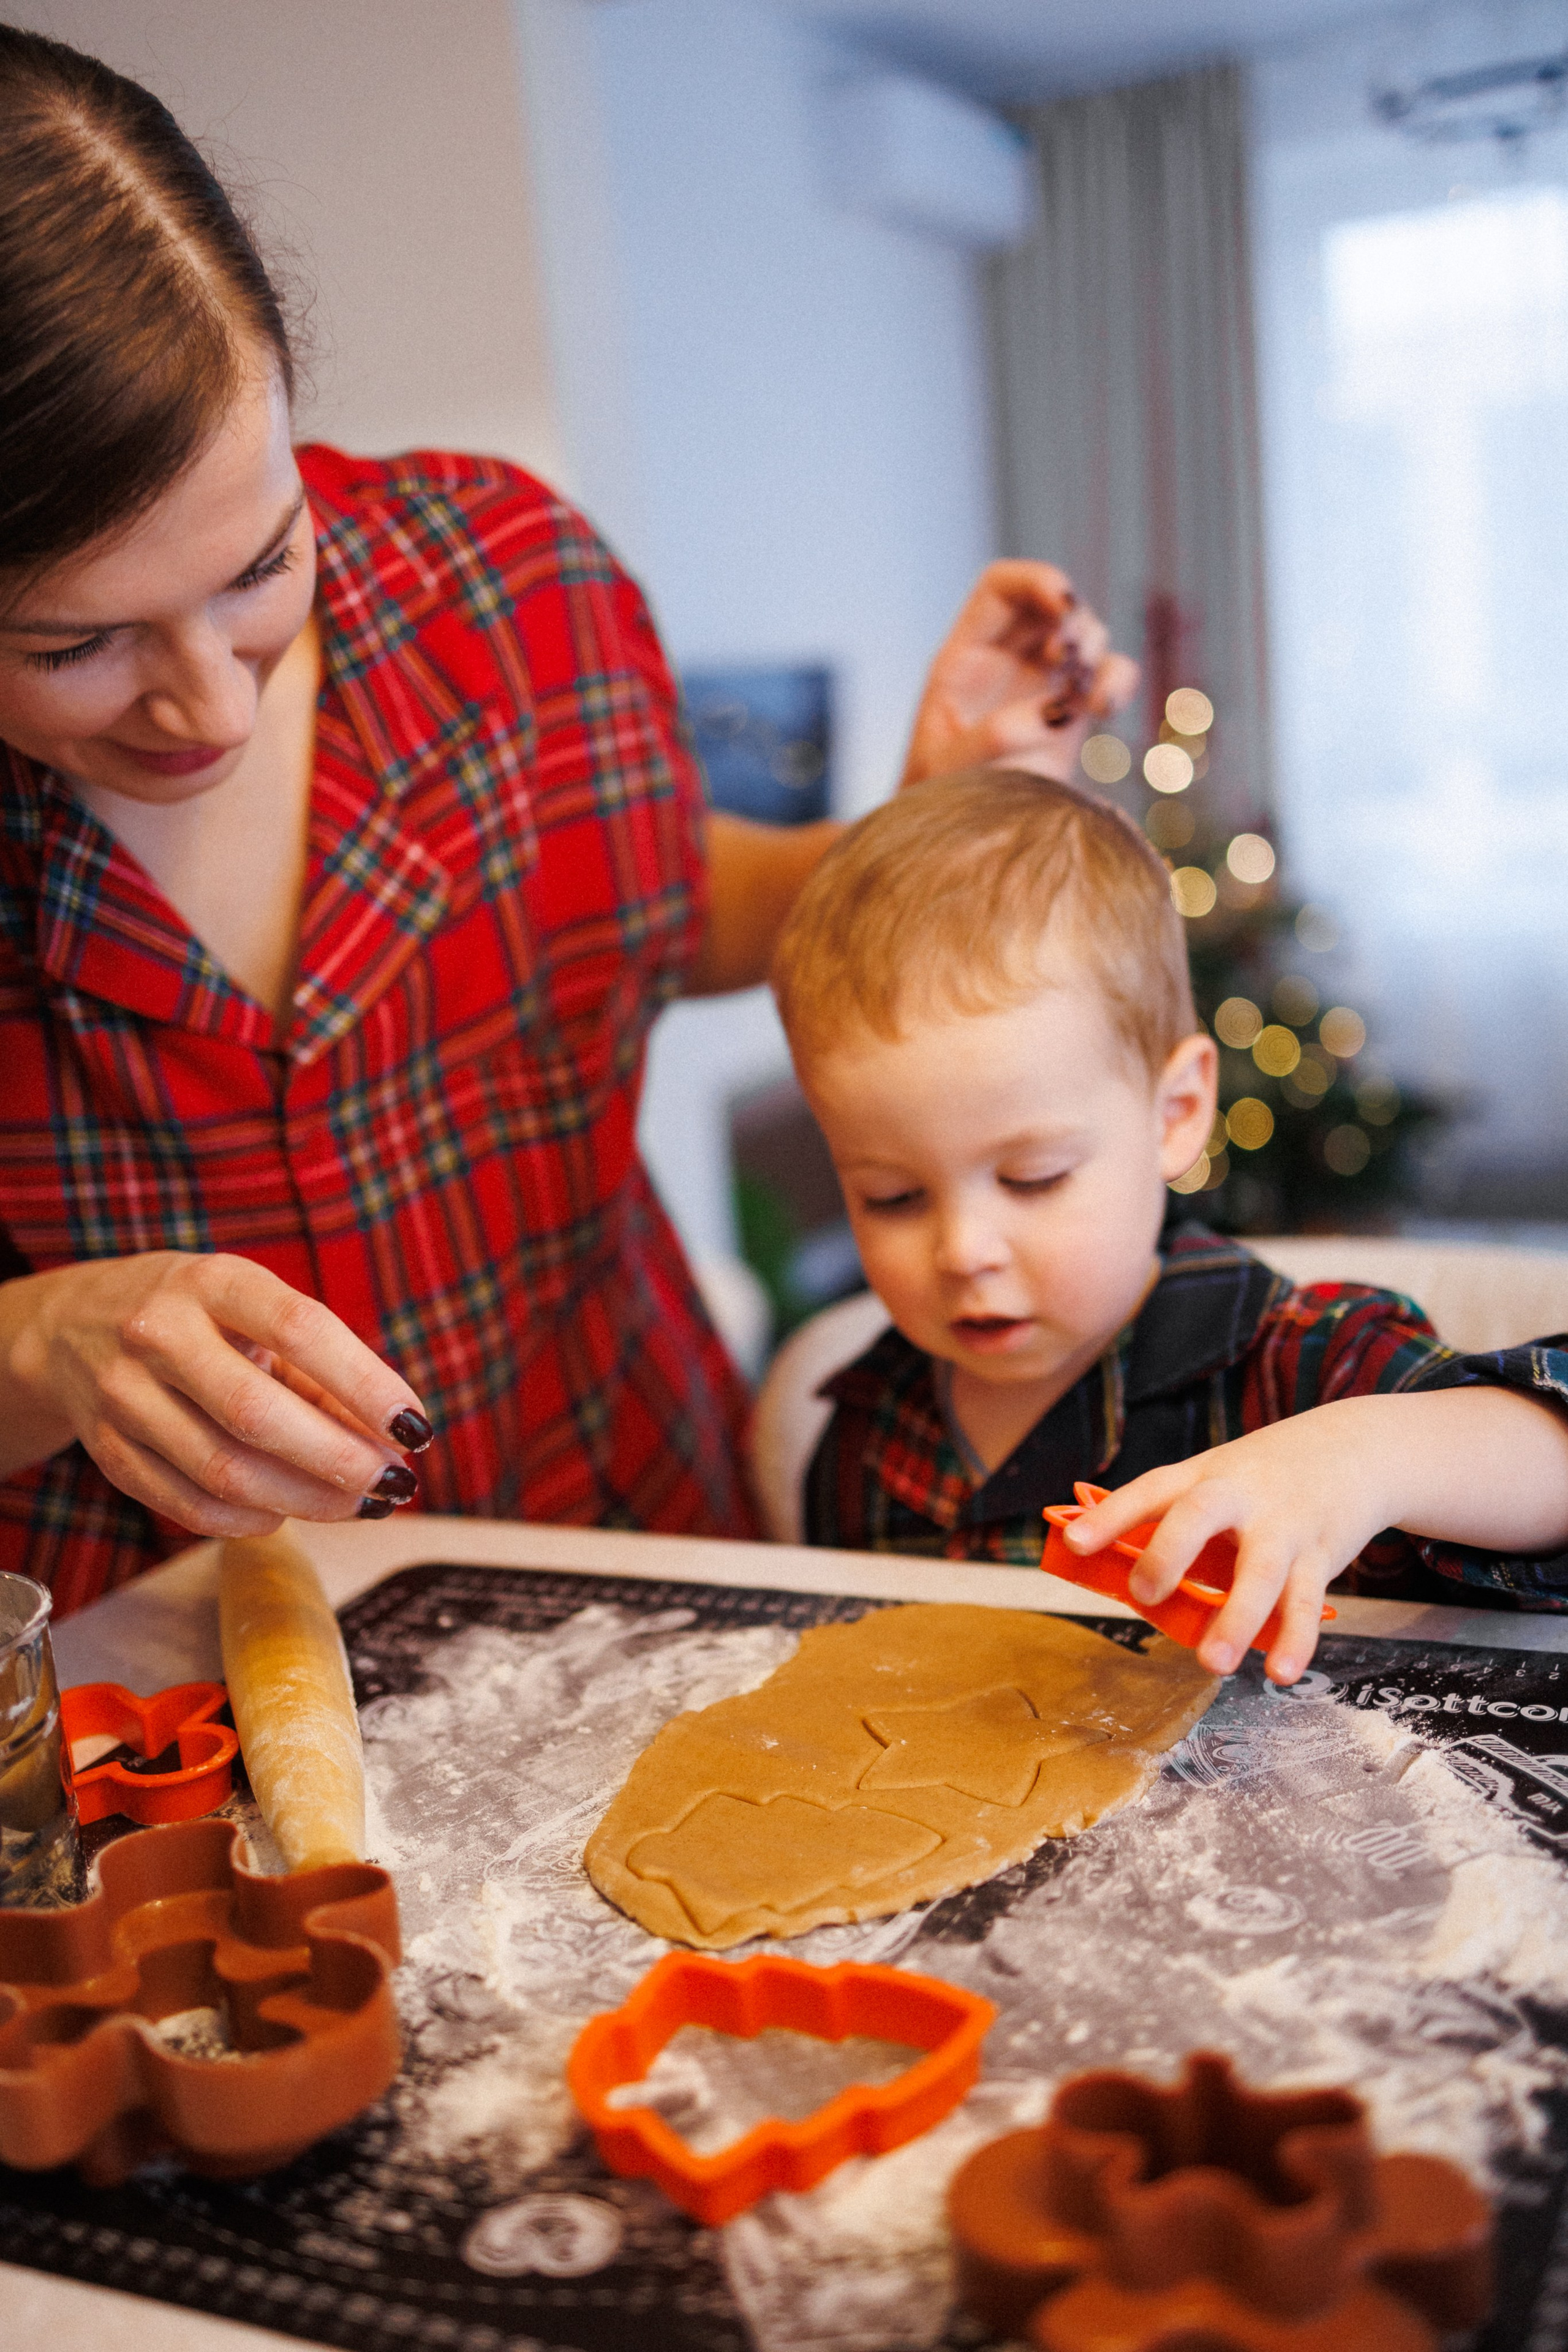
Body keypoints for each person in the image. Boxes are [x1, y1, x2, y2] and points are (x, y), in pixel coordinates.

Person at [0, 27, 1136, 1615]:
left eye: (261, 566)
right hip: (166, 1650)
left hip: (628, 1521)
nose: (209, 709)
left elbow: (666, 904)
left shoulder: (507, 582)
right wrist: (39, 1345)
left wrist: (916, 826)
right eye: (75, 645)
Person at [771, 769, 1568, 1685]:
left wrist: (1366, 1454)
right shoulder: (861, 1436)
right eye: (891, 1196)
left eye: (1033, 1178)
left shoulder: (1299, 1366)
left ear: (1176, 1112)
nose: (963, 1251)